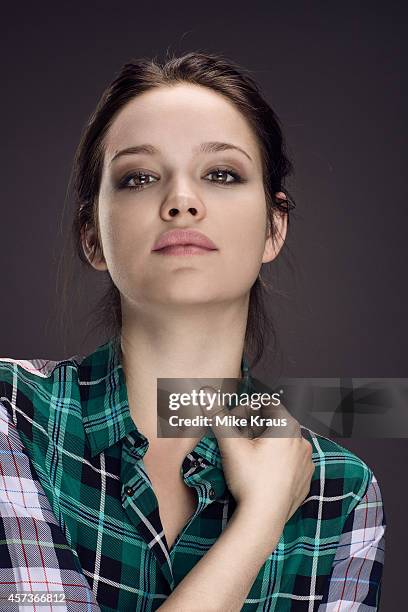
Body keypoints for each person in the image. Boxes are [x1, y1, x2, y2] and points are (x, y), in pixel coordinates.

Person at [0, 52, 385, 611]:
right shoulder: (12, 413)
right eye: (139, 177)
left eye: (222, 174)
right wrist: (261, 520)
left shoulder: (343, 493)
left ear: (274, 228)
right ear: (92, 237)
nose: (181, 201)